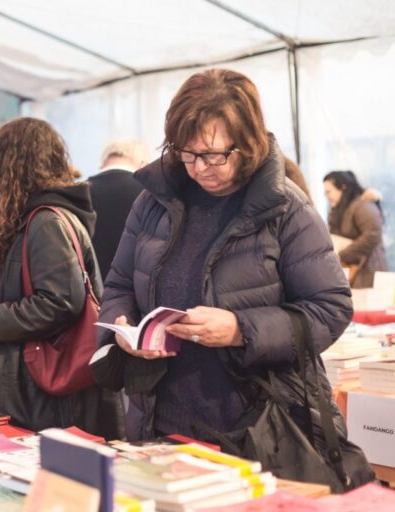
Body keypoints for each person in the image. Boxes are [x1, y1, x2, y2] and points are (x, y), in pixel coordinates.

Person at [97, 69, 358, 452]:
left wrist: (242, 329)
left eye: (215, 155)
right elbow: (118, 285)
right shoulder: (152, 202)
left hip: (258, 429)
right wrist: (125, 328)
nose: (201, 167)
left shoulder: (286, 208)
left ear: (247, 142)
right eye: (188, 153)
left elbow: (331, 307)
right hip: (159, 421)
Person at [0, 117, 124, 438]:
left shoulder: (45, 223)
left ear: (12, 164)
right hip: (33, 388)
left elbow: (58, 303)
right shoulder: (35, 218)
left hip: (42, 395)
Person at [87, 139, 149, 280]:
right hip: (133, 290)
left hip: (91, 291)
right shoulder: (148, 192)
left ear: (104, 161)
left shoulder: (79, 192)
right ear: (143, 163)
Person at [324, 170, 387, 288]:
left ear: (342, 187)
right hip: (353, 271)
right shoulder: (340, 210)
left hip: (368, 271)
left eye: (329, 191)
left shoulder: (363, 206)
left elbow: (372, 235)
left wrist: (341, 255)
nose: (327, 196)